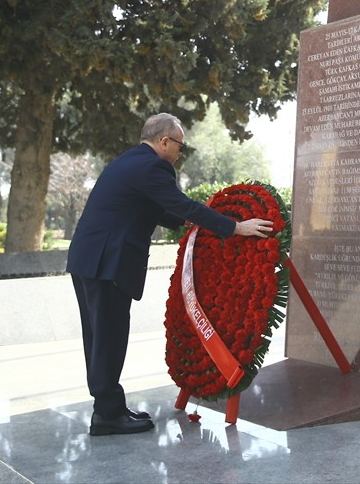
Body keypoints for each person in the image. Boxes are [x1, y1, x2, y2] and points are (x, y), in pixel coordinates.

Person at [66, 112, 272, 436]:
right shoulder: (154, 166)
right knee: (109, 339)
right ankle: (106, 414)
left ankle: (109, 406)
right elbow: (182, 203)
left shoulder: (130, 161)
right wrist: (235, 227)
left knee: (98, 338)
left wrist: (182, 221)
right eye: (179, 146)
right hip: (108, 262)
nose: (179, 153)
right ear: (164, 141)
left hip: (88, 259)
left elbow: (152, 207)